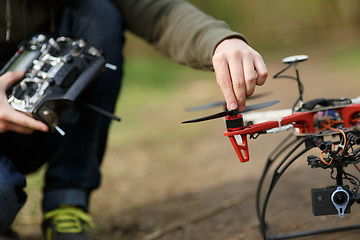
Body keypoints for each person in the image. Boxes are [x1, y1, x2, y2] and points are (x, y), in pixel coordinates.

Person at [0, 0, 267, 239]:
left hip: (41, 122)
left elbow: (156, 9)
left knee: (99, 11)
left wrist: (219, 40)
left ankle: (67, 202)